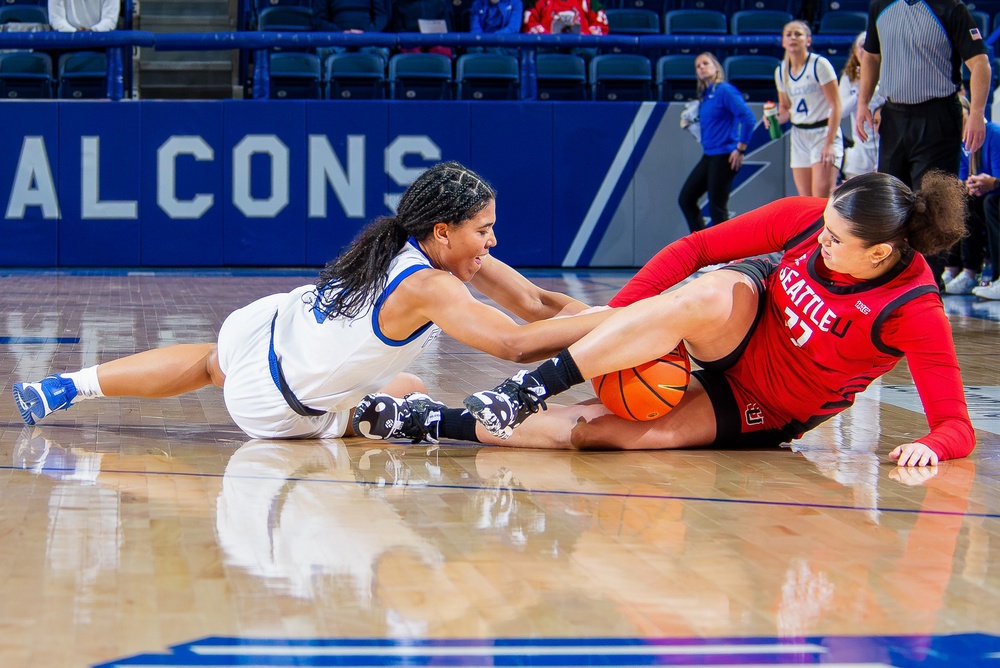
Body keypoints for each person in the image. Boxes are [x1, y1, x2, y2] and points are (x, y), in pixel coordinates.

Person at [356, 172, 976, 468]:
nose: (820, 242)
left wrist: (929, 444)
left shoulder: (912, 311)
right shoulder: (811, 219)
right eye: (824, 229)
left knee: (608, 433)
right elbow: (696, 250)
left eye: (838, 241)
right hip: (739, 321)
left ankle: (436, 421)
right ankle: (524, 390)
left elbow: (955, 425)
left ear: (881, 254)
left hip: (771, 401)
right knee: (707, 293)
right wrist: (625, 317)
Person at [11, 162, 612, 440]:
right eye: (484, 229)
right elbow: (513, 343)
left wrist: (622, 316)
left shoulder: (410, 245)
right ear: (444, 231)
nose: (493, 240)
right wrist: (627, 320)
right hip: (277, 406)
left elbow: (535, 304)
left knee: (208, 364)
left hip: (274, 329)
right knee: (410, 394)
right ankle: (376, 419)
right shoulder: (431, 284)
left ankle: (66, 387)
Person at [854, 0, 990, 289]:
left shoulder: (951, 8)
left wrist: (977, 113)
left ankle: (928, 285)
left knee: (931, 205)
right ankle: (889, 281)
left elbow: (979, 63)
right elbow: (871, 56)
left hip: (938, 114)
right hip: (894, 115)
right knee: (889, 201)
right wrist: (863, 102)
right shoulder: (880, 5)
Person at [762, 21, 843, 198]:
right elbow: (786, 109)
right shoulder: (781, 71)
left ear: (808, 40)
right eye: (788, 34)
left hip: (823, 132)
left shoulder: (820, 65)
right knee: (804, 200)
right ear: (783, 42)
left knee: (820, 198)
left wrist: (829, 144)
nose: (793, 37)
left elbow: (836, 105)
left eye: (798, 34)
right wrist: (773, 118)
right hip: (799, 134)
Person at [677, 52, 755, 235]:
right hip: (710, 154)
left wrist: (741, 148)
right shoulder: (706, 95)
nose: (701, 67)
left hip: (725, 155)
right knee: (686, 199)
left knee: (717, 209)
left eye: (705, 63)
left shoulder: (724, 91)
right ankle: (702, 247)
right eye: (698, 66)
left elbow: (748, 118)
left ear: (716, 67)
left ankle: (725, 257)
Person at [943, 95, 1000, 294]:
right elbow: (962, 177)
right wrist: (967, 185)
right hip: (982, 194)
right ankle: (956, 269)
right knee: (955, 200)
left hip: (993, 193)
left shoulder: (993, 133)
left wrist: (988, 183)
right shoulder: (961, 143)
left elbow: (996, 178)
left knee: (990, 203)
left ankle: (988, 274)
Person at [838, 32, 879, 181]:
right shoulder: (848, 77)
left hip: (884, 144)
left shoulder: (887, 74)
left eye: (870, 46)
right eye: (862, 46)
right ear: (855, 51)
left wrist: (870, 81)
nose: (865, 50)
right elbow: (841, 111)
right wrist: (860, 90)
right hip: (860, 146)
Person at [310, 0, 391, 66]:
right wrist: (341, 34)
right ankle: (328, 84)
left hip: (367, 39)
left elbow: (381, 16)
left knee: (381, 52)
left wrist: (366, 34)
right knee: (324, 51)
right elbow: (318, 19)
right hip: (336, 40)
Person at [522, 0, 608, 36]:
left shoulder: (588, 1)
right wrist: (549, 36)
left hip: (580, 46)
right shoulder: (538, 1)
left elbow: (601, 26)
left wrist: (584, 35)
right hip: (547, 46)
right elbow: (529, 26)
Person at [48, 0, 120, 32]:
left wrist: (92, 31)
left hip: (101, 43)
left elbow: (109, 20)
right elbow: (57, 19)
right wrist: (75, 33)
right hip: (67, 43)